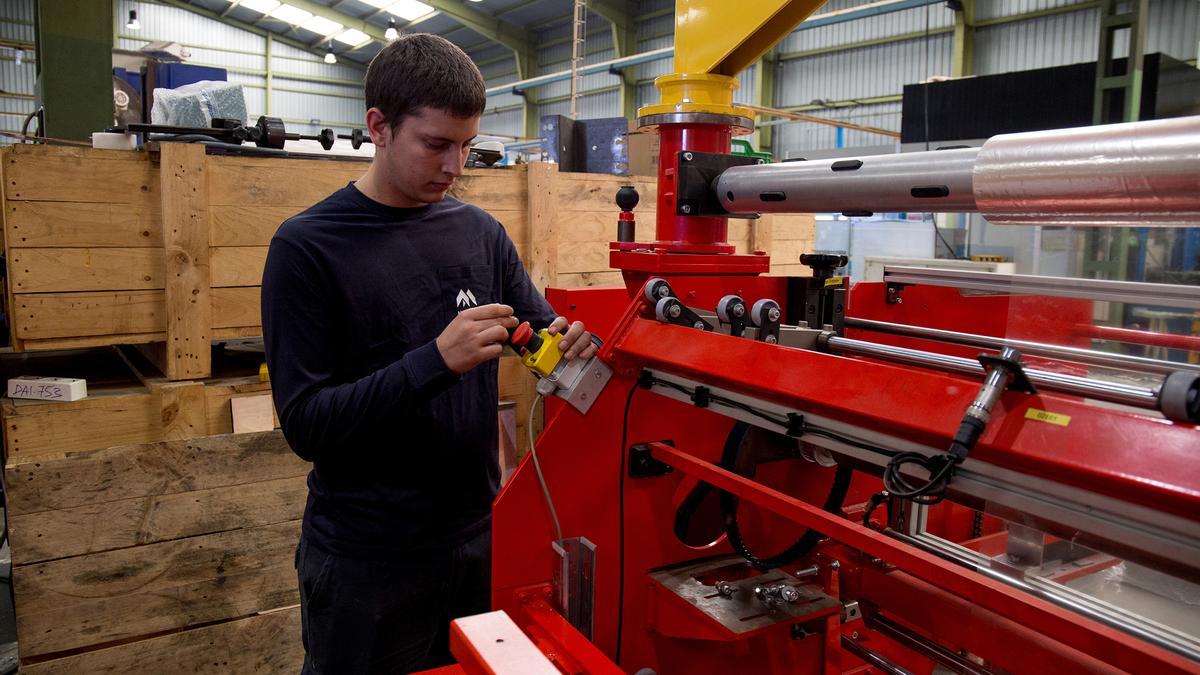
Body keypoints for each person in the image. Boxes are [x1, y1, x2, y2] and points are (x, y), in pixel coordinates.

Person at [260, 33, 597, 674]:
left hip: (478, 540)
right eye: (436, 144)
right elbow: (306, 423)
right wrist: (433, 361)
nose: (454, 166)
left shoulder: (478, 231)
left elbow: (539, 335)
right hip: (368, 561)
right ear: (379, 127)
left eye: (466, 146)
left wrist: (570, 342)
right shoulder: (308, 248)